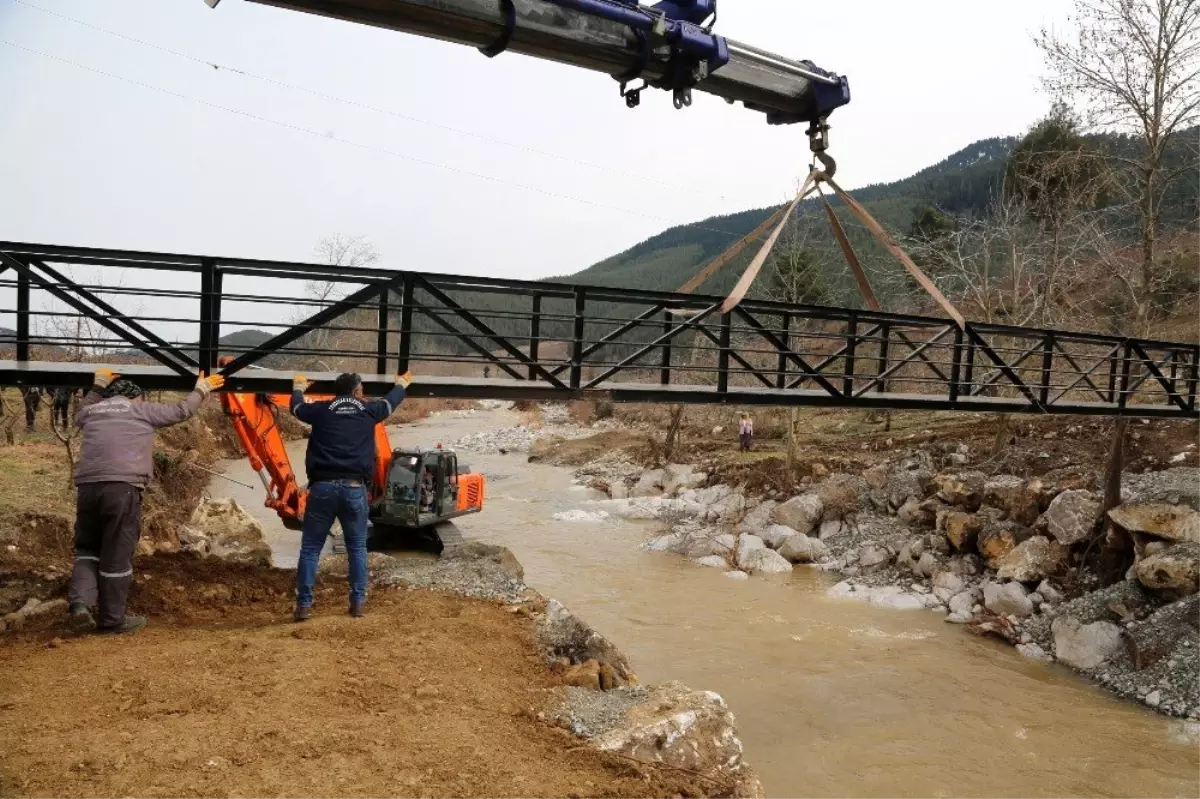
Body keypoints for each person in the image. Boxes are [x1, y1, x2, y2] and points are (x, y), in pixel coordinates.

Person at [68, 368, 225, 634]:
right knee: (117, 554)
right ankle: (112, 620)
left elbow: (80, 412)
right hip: (122, 489)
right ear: (137, 397)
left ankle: (80, 606)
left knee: (87, 550)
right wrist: (202, 387)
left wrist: (97, 385)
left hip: (87, 488)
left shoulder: (91, 412)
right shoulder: (141, 410)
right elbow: (181, 411)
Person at [290, 370, 411, 621]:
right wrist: (402, 383)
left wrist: (298, 387)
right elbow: (391, 402)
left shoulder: (322, 410)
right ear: (357, 391)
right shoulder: (368, 410)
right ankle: (357, 603)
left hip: (322, 488)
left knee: (311, 548)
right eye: (362, 388)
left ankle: (304, 605)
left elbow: (297, 408)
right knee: (357, 548)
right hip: (355, 489)